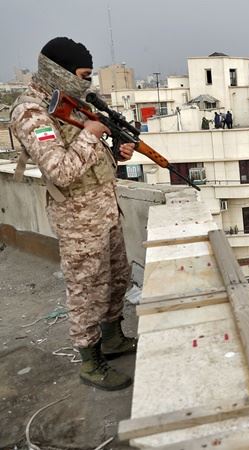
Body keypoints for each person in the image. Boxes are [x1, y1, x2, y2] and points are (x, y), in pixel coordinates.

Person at [9, 37, 137, 391]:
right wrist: (91, 136)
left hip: (106, 208)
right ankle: (91, 362)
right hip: (78, 218)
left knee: (116, 279)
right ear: (59, 71)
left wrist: (117, 152)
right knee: (86, 291)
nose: (87, 83)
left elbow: (91, 156)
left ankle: (112, 340)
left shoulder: (71, 102)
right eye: (82, 75)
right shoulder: (31, 111)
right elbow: (60, 171)